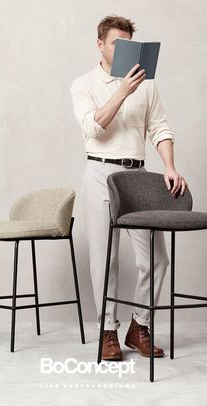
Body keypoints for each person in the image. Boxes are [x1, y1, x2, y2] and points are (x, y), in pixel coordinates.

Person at [70, 15, 187, 361]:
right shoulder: (84, 84)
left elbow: (160, 128)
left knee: (156, 258)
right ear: (101, 45)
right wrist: (122, 91)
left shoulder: (146, 84)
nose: (122, 51)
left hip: (137, 176)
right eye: (116, 44)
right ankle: (108, 331)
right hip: (100, 173)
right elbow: (94, 126)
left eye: (128, 45)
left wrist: (169, 165)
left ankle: (140, 325)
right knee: (104, 259)